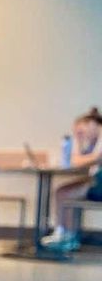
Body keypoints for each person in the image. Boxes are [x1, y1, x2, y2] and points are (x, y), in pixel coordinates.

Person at [42, 107, 102, 250]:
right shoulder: (96, 142)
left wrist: (77, 148)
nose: (81, 136)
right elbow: (78, 158)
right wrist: (79, 143)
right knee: (62, 191)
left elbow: (86, 160)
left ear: (92, 124)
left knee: (64, 193)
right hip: (97, 181)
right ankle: (66, 234)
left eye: (81, 132)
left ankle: (66, 236)